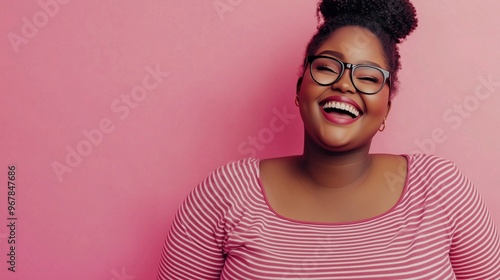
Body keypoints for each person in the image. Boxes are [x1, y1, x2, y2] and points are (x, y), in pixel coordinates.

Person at [157, 0, 500, 279]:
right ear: (299, 89)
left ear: (386, 109)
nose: (345, 84)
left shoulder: (441, 188)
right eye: (327, 67)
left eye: (367, 76)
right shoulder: (224, 193)